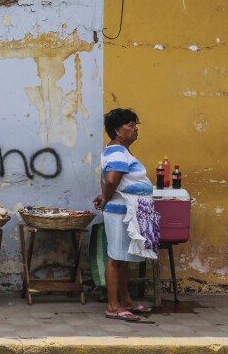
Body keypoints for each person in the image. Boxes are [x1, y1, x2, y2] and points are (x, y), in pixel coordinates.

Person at [93, 108, 157, 322]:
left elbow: (111, 183)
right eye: (130, 125)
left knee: (122, 259)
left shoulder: (118, 151)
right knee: (115, 258)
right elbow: (112, 180)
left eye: (134, 124)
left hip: (124, 210)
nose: (135, 129)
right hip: (120, 212)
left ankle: (126, 301)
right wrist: (107, 197)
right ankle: (113, 306)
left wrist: (104, 197)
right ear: (117, 131)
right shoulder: (118, 152)